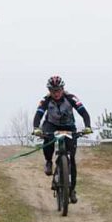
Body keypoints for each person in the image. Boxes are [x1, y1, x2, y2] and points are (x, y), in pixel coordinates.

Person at [31, 76, 92, 204]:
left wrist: (87, 126)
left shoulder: (71, 98)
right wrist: (36, 128)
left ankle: (72, 190)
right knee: (47, 140)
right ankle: (48, 161)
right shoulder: (45, 100)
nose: (56, 93)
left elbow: (84, 113)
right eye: (53, 91)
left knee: (72, 160)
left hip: (69, 126)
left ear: (62, 89)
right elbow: (38, 114)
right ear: (49, 91)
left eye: (58, 90)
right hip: (51, 125)